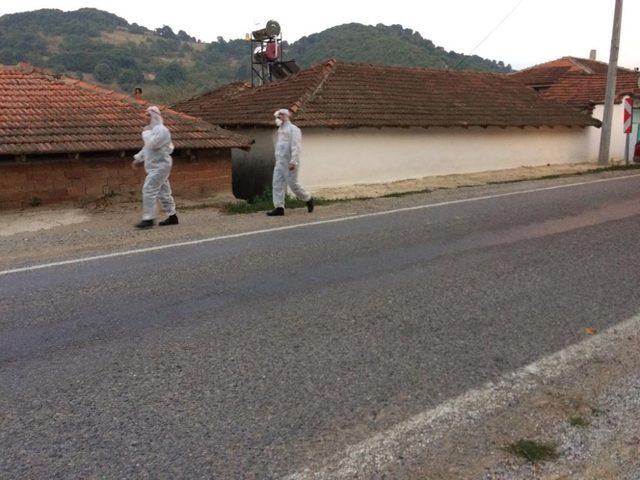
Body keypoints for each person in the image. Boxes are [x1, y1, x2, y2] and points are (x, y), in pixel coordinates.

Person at [131, 106, 179, 229]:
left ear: (154, 116)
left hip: (161, 166)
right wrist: (138, 159)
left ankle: (149, 218)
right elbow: (146, 148)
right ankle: (172, 216)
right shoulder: (151, 131)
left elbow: (152, 145)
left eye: (148, 115)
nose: (145, 117)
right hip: (154, 166)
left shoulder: (162, 130)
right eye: (145, 114)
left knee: (149, 189)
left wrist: (145, 133)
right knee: (163, 192)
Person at [267, 109, 314, 216]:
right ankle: (279, 207)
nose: (279, 118)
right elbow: (279, 147)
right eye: (278, 116)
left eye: (281, 116)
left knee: (293, 185)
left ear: (286, 116)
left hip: (290, 163)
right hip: (280, 162)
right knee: (277, 184)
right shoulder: (280, 130)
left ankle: (308, 198)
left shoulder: (294, 129)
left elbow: (296, 147)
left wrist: (293, 161)